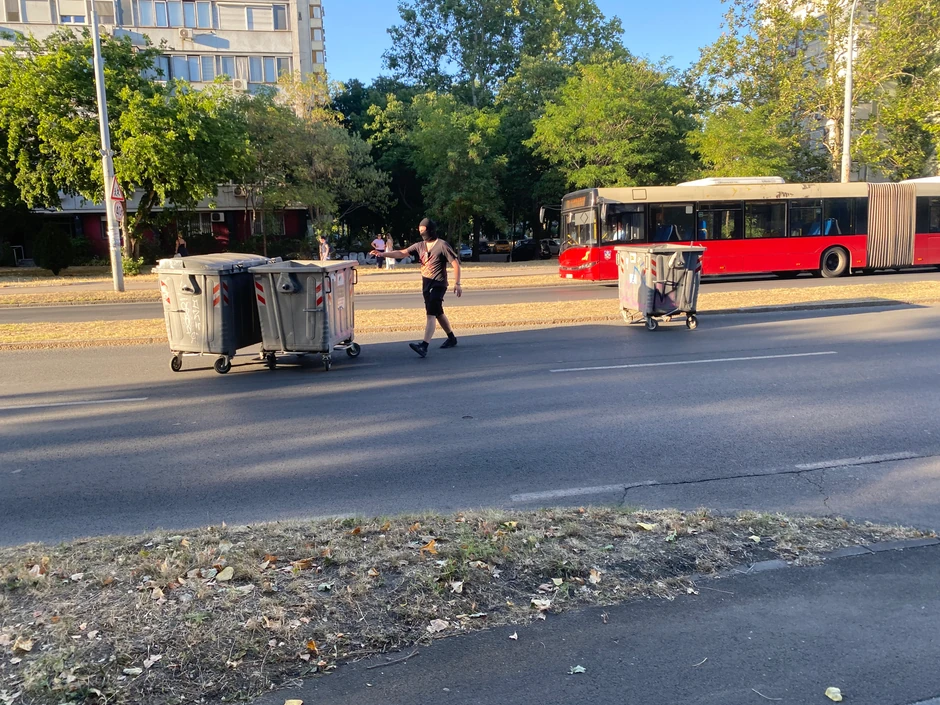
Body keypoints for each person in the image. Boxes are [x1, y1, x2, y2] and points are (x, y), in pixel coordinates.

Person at [372, 218, 461, 357]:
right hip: (426, 284)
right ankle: (452, 338)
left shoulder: (442, 245)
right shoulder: (419, 246)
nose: (421, 233)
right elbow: (401, 253)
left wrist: (457, 283)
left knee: (430, 314)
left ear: (430, 230)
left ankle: (424, 346)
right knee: (437, 312)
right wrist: (382, 254)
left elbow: (455, 263)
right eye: (420, 231)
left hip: (438, 284)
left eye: (423, 231)